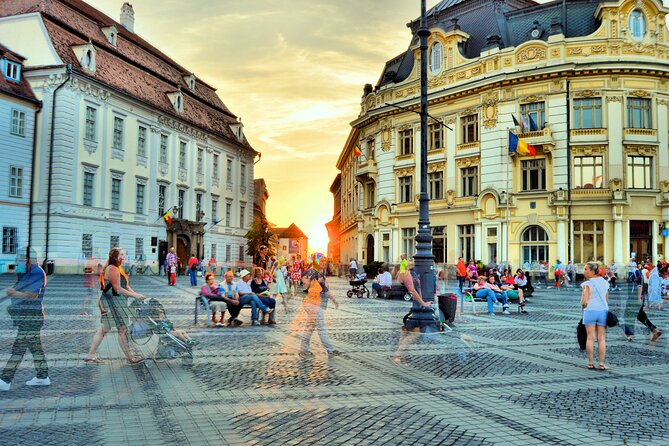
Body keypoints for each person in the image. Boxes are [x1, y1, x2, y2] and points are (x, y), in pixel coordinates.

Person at [84, 248, 146, 364]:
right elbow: (117, 289)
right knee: (120, 329)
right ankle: (130, 357)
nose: (124, 256)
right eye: (121, 254)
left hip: (113, 301)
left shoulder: (117, 268)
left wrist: (136, 294)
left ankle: (91, 354)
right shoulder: (113, 269)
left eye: (124, 254)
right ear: (115, 257)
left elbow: (125, 286)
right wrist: (135, 296)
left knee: (106, 329)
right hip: (112, 302)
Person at [0, 248, 50, 391]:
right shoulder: (26, 272)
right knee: (35, 348)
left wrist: (14, 293)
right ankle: (42, 377)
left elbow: (32, 295)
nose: (17, 262)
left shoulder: (37, 272)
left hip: (31, 317)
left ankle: (5, 380)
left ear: (28, 260)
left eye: (20, 259)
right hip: (26, 316)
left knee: (19, 348)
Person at [300, 261, 340, 355]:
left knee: (309, 328)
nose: (322, 278)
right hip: (313, 307)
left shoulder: (319, 284)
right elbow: (326, 292)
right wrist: (335, 301)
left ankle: (303, 350)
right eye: (320, 277)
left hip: (312, 306)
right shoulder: (314, 282)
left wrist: (335, 301)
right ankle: (330, 349)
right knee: (321, 328)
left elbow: (327, 292)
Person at [580, 261, 609, 370]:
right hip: (602, 311)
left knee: (590, 338)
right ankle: (601, 364)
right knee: (601, 338)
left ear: (592, 271)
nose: (584, 271)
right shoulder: (605, 282)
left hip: (590, 310)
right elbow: (606, 299)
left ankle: (590, 363)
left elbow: (585, 301)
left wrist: (582, 305)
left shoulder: (587, 284)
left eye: (586, 269)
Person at [622, 267, 662, 342]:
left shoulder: (636, 272)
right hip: (638, 297)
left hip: (634, 298)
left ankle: (629, 335)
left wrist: (638, 298)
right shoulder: (639, 272)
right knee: (641, 316)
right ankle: (654, 331)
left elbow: (639, 285)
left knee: (627, 315)